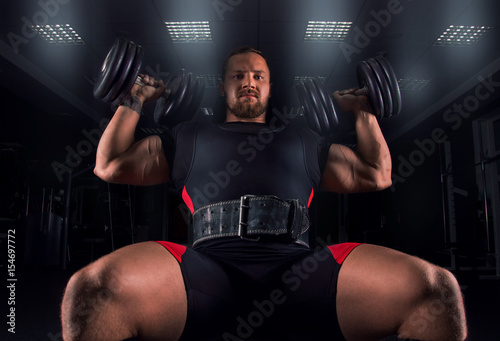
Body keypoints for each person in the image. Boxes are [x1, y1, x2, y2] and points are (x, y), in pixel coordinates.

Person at [61, 46, 467, 341]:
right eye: (238, 75)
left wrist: (363, 110)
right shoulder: (188, 135)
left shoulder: (305, 139)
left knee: (435, 291)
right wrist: (134, 98)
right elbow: (109, 165)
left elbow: (376, 174)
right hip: (203, 272)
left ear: (270, 88)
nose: (248, 82)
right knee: (92, 291)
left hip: (300, 273)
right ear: (222, 87)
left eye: (258, 76)